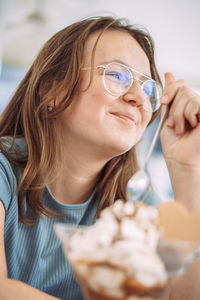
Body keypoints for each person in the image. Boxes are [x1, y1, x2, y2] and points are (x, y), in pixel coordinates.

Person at [0, 15, 200, 300]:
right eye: (117, 75)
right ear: (51, 89)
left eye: (148, 89)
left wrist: (187, 168)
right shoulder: (3, 169)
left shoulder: (137, 206)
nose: (138, 99)